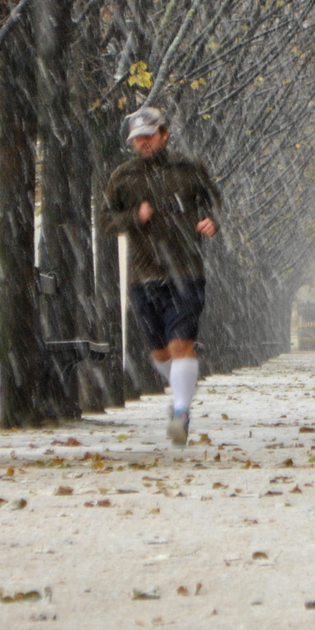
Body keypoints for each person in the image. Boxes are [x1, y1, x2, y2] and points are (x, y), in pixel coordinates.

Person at [100, 106, 220, 447]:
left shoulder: (190, 169)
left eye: (149, 135)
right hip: (143, 275)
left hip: (186, 270)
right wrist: (134, 217)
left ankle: (181, 412)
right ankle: (182, 388)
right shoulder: (123, 177)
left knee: (181, 344)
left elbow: (213, 200)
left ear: (164, 135)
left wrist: (210, 220)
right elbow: (106, 220)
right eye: (137, 138)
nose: (143, 143)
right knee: (160, 353)